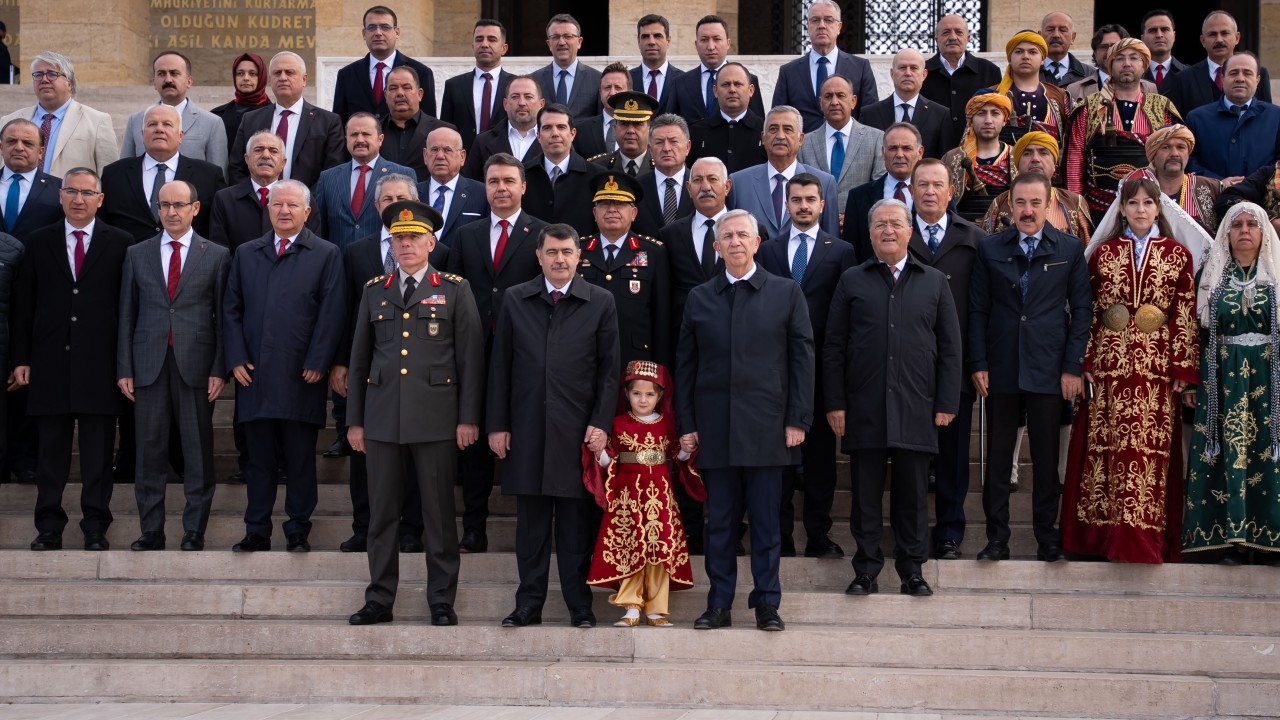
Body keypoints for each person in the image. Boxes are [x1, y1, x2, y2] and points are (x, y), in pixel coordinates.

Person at [345, 200, 484, 626]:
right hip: (383, 418)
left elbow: (471, 360)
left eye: (413, 238)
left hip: (437, 418)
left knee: (438, 515)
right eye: (399, 238)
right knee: (381, 514)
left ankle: (441, 599)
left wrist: (468, 418)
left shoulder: (455, 288)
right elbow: (359, 361)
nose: (406, 245)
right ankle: (379, 599)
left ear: (431, 242)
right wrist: (355, 421)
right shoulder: (374, 290)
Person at [676, 209, 813, 631]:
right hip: (716, 430)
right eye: (727, 236)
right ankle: (718, 604)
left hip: (768, 429)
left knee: (768, 523)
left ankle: (767, 603)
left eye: (743, 235)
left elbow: (802, 361)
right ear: (716, 247)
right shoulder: (700, 297)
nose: (735, 242)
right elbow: (686, 367)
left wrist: (797, 420)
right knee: (719, 524)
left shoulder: (786, 292)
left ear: (757, 243)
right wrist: (687, 423)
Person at [1061, 176, 1204, 563]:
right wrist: (1085, 360)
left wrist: (1185, 368)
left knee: (1149, 452)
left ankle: (1145, 536)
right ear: (1121, 209)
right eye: (1133, 203)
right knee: (1105, 449)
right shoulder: (1103, 254)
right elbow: (1088, 312)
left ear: (1159, 208)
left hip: (1157, 368)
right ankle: (1101, 536)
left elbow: (1184, 315)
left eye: (1147, 203)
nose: (1140, 210)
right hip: (1109, 364)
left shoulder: (1177, 255)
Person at [488, 223, 620, 628]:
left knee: (575, 527)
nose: (559, 259)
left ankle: (579, 605)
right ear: (539, 256)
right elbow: (500, 367)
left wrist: (600, 422)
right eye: (552, 252)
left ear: (579, 257)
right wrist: (497, 425)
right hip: (527, 429)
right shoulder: (516, 298)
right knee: (530, 528)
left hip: (576, 432)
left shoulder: (600, 301)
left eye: (567, 252)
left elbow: (609, 371)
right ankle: (529, 604)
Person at [827, 198, 961, 596]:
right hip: (864, 405)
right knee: (865, 495)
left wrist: (946, 403)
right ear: (869, 234)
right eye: (880, 224)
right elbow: (833, 346)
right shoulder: (852, 279)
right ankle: (865, 569)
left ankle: (912, 570)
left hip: (917, 405)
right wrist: (835, 403)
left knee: (913, 496)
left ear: (910, 232)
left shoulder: (934, 281)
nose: (888, 230)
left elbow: (950, 348)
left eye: (895, 224)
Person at [969, 172, 1092, 562]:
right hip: (1001, 367)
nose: (1027, 210)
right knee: (999, 458)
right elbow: (977, 310)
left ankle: (1046, 538)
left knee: (1044, 456)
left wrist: (1072, 367)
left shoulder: (1069, 249)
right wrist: (978, 362)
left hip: (1048, 368)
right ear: (1010, 204)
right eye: (1020, 202)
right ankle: (997, 539)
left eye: (1035, 203)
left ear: (1048, 203)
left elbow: (1083, 312)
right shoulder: (989, 249)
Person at [222, 180, 346, 553]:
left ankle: (297, 529)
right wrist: (235, 357)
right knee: (258, 461)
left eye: (293, 205)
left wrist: (318, 361)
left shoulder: (326, 254)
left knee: (299, 460)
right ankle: (256, 529)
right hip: (254, 375)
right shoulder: (247, 253)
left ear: (307, 212)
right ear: (268, 209)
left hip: (301, 376)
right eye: (277, 205)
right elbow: (231, 308)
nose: (284, 211)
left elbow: (332, 312)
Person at [13, 167, 132, 551]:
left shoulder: (121, 242)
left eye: (87, 193)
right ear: (61, 197)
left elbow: (127, 308)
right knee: (51, 455)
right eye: (71, 192)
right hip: (49, 364)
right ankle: (49, 526)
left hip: (100, 366)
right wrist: (21, 359)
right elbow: (24, 306)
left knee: (98, 456)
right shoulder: (37, 242)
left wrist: (124, 365)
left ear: (101, 199)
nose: (78, 199)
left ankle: (95, 526)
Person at [117, 180, 230, 552]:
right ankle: (151, 530)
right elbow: (126, 316)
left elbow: (221, 319)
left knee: (197, 449)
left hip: (196, 365)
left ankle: (194, 530)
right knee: (148, 450)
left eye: (179, 204)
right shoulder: (137, 253)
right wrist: (125, 368)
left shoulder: (215, 254)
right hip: (148, 364)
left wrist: (219, 368)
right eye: (164, 205)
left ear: (195, 208)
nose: (171, 212)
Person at [332, 174, 440, 554]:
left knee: (412, 464)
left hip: (421, 387)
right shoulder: (356, 251)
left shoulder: (437, 259)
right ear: (378, 208)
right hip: (375, 380)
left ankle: (410, 528)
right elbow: (346, 313)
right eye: (387, 199)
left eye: (401, 198)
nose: (393, 204)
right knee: (366, 461)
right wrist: (341, 362)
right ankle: (365, 526)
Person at [447, 153, 549, 553]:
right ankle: (475, 526)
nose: (501, 188)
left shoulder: (541, 234)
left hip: (525, 354)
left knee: (521, 440)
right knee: (472, 443)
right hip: (474, 352)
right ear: (484, 187)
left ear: (523, 187)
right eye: (493, 181)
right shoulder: (466, 234)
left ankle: (531, 528)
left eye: (509, 181)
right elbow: (454, 291)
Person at [757, 173, 854, 558]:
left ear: (822, 205)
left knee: (819, 461)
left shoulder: (842, 251)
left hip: (821, 369)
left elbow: (845, 311)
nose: (802, 206)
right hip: (776, 370)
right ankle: (780, 537)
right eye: (795, 199)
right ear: (786, 204)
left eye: (810, 199)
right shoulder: (768, 251)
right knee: (778, 460)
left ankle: (818, 535)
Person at [1184, 202, 1280, 565]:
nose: (1244, 231)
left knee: (1265, 453)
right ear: (1226, 233)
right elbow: (1198, 334)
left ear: (1263, 234)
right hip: (1221, 381)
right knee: (1223, 451)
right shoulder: (1211, 277)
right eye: (1236, 224)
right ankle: (1225, 538)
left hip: (1270, 380)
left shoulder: (1276, 277)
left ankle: (1267, 540)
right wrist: (1193, 382)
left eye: (1252, 225)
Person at [584, 360, 704, 627]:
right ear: (626, 394)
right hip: (627, 500)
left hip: (661, 499)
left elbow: (678, 458)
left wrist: (687, 447)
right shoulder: (616, 424)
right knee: (631, 548)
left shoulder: (668, 425)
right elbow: (609, 462)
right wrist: (599, 452)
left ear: (660, 396)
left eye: (650, 394)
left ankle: (656, 609)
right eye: (636, 393)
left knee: (659, 550)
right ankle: (631, 606)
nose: (643, 399)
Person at [907, 159, 985, 559]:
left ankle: (950, 532)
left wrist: (977, 362)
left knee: (954, 457)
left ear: (951, 191)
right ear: (911, 190)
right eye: (922, 185)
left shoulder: (972, 237)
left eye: (938, 185)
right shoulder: (896, 235)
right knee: (914, 455)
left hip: (954, 367)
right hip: (908, 367)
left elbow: (980, 307)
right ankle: (914, 533)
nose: (930, 192)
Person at [1065, 38, 1182, 225]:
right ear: (1110, 66)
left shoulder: (1162, 107)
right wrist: (1076, 208)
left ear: (1144, 65)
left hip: (1148, 210)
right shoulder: (1089, 107)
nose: (1127, 64)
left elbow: (1173, 160)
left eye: (1134, 58)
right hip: (1097, 208)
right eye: (1119, 59)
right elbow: (1075, 160)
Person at [577, 173, 671, 368]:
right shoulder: (577, 251)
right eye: (604, 204)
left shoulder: (653, 253)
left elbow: (661, 318)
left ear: (634, 213)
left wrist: (659, 371)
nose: (612, 210)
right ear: (595, 214)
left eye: (619, 204)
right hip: (585, 359)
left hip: (635, 362)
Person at [100, 104, 227, 244]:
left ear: (180, 136)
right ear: (142, 134)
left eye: (167, 124)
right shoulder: (114, 174)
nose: (159, 129)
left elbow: (218, 230)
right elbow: (102, 227)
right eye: (152, 124)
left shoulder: (209, 175)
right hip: (128, 261)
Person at [229, 52, 346, 188]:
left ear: (304, 79)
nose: (283, 78)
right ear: (270, 79)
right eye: (277, 73)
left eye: (289, 72)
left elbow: (333, 171)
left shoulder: (328, 122)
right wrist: (254, 200)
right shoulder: (250, 119)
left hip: (307, 205)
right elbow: (237, 168)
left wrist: (302, 203)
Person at [727, 106, 838, 239]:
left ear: (801, 139)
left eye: (788, 129)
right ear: (763, 138)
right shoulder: (739, 183)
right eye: (773, 129)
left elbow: (831, 241)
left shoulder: (825, 182)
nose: (780, 136)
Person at [0, 52, 118, 177]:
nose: (44, 80)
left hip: (69, 195)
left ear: (70, 83)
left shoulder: (97, 121)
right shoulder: (9, 121)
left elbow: (110, 176)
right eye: (38, 75)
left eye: (52, 74)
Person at [312, 112, 416, 252]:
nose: (360, 140)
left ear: (380, 139)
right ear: (346, 139)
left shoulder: (403, 174)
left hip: (382, 264)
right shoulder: (328, 178)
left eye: (366, 134)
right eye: (354, 135)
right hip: (340, 265)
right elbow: (320, 229)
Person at [770, 0, 877, 132]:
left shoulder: (860, 68)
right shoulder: (789, 72)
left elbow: (870, 116)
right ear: (808, 26)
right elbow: (778, 116)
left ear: (839, 27)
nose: (822, 25)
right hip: (803, 149)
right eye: (815, 20)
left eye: (828, 20)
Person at [121, 52, 229, 172]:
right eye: (161, 74)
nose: (168, 79)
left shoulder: (212, 123)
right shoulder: (136, 120)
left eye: (174, 73)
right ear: (154, 82)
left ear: (189, 81)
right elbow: (125, 170)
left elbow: (219, 176)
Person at [980, 131, 1092, 242]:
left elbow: (1086, 251)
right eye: (1027, 153)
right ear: (1017, 164)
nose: (1035, 159)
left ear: (1055, 165)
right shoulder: (1000, 203)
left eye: (1043, 153)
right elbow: (987, 246)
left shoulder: (1074, 202)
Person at [798, 76, 884, 218]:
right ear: (821, 103)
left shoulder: (876, 138)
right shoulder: (804, 142)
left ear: (853, 101)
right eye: (828, 96)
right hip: (818, 225)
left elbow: (877, 189)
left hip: (860, 225)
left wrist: (851, 217)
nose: (834, 102)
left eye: (840, 95)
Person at [331, 5, 435, 123]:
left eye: (385, 27)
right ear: (364, 33)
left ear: (397, 32)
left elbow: (428, 123)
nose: (378, 33)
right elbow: (339, 123)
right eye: (372, 27)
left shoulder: (420, 72)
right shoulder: (347, 74)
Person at [1185, 52, 1280, 181]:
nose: (1240, 79)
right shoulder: (1197, 118)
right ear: (1222, 78)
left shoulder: (1276, 117)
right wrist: (1218, 184)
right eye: (1233, 73)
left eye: (1247, 73)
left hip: (1261, 198)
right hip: (1212, 197)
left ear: (1257, 80)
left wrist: (1253, 185)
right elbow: (1189, 161)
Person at [1160, 11, 1272, 116]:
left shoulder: (1258, 73)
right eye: (1213, 34)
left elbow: (1267, 117)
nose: (1219, 40)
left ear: (1237, 38)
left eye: (1225, 33)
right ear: (1203, 41)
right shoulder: (1183, 79)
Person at [845, 123, 924, 262]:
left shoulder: (937, 195)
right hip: (872, 280)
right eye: (893, 148)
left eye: (906, 148)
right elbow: (852, 251)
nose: (899, 155)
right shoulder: (858, 197)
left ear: (920, 153)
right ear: (883, 152)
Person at [921, 15, 1003, 144]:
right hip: (933, 153)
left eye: (959, 32)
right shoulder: (922, 73)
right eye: (946, 32)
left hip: (978, 151)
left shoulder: (989, 71)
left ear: (968, 38)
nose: (953, 37)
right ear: (937, 40)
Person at [668, 16, 766, 124]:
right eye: (704, 40)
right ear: (696, 45)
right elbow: (671, 125)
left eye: (717, 39)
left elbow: (758, 125)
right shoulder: (680, 83)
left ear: (728, 43)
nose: (710, 46)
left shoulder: (749, 80)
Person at [522, 104, 601, 237]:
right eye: (547, 128)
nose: (555, 134)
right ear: (538, 136)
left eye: (561, 127)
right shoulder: (522, 174)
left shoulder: (596, 176)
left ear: (573, 134)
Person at [858, 49, 952, 158]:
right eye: (902, 68)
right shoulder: (870, 114)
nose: (908, 73)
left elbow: (944, 161)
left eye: (914, 68)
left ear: (924, 74)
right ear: (892, 73)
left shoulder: (940, 115)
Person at [1129, 126, 1220, 235]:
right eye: (1166, 147)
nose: (1174, 154)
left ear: (1188, 153)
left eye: (1181, 147)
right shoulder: (1135, 189)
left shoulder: (1211, 187)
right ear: (1153, 154)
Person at [441, 19, 514, 153]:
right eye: (479, 39)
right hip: (464, 163)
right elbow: (446, 129)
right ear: (473, 45)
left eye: (492, 39)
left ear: (504, 48)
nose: (484, 44)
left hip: (505, 162)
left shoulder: (516, 86)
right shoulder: (454, 85)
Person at [941, 93, 1015, 224]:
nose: (988, 120)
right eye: (981, 113)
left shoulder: (1017, 156)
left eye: (995, 113)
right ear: (971, 120)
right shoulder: (951, 158)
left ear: (1004, 120)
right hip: (962, 230)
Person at [985, 32, 1070, 145]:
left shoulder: (1060, 96)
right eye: (1019, 52)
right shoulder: (990, 95)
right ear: (1010, 58)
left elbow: (1073, 142)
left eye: (1032, 52)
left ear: (1042, 59)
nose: (1025, 56)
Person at [378, 66, 457, 184]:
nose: (400, 93)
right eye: (393, 88)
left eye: (406, 87)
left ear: (419, 94)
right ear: (385, 96)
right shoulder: (375, 131)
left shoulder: (443, 130)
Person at [686, 62, 767, 175]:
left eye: (738, 84)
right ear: (715, 91)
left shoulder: (766, 132)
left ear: (751, 90)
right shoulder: (696, 132)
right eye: (726, 84)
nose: (732, 90)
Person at [462, 75, 544, 180]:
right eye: (515, 97)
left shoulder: (553, 140)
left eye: (528, 97)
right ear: (505, 104)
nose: (522, 103)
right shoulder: (483, 142)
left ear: (541, 104)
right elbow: (472, 186)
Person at [419, 127, 488, 247]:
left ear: (462, 157)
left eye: (447, 150)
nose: (440, 156)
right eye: (434, 149)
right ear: (425, 155)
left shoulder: (482, 193)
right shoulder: (412, 194)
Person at [0, 118, 64, 240]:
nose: (19, 148)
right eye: (12, 141)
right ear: (1, 147)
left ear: (41, 152)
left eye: (27, 143)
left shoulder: (60, 189)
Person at [1063, 25, 1158, 107]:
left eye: (1115, 46)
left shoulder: (1149, 88)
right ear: (1095, 52)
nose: (1109, 51)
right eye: (1104, 47)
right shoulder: (1075, 89)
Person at [633, 114, 694, 237]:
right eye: (659, 142)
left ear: (687, 147)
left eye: (673, 142)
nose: (666, 148)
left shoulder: (700, 186)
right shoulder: (635, 188)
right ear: (650, 149)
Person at [532, 14, 602, 120]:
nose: (561, 42)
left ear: (579, 42)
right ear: (549, 44)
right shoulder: (534, 81)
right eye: (555, 37)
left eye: (568, 36)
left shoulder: (597, 80)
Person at [210, 54, 271, 152]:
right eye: (240, 73)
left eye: (252, 74)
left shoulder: (275, 115)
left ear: (262, 77)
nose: (246, 78)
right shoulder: (217, 115)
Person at [590, 89, 656, 176]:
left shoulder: (661, 167)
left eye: (638, 124)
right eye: (624, 124)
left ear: (649, 129)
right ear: (614, 128)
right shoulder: (596, 167)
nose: (630, 131)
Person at [575, 62, 632, 161]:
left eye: (618, 87)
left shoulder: (642, 130)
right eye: (607, 87)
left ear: (630, 93)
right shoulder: (581, 131)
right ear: (600, 92)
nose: (612, 93)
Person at [632, 14, 685, 114]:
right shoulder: (627, 80)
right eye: (645, 36)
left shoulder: (684, 80)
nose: (651, 42)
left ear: (668, 41)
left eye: (657, 36)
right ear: (638, 41)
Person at [1039, 12, 1094, 87]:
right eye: (1050, 30)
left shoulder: (1090, 75)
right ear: (1040, 36)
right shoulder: (1026, 72)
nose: (1056, 35)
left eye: (1063, 30)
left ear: (1073, 37)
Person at [1140, 10, 1186, 88]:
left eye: (1165, 29)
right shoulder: (1132, 74)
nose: (1159, 35)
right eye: (1153, 30)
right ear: (1142, 39)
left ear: (1174, 35)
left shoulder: (1190, 74)